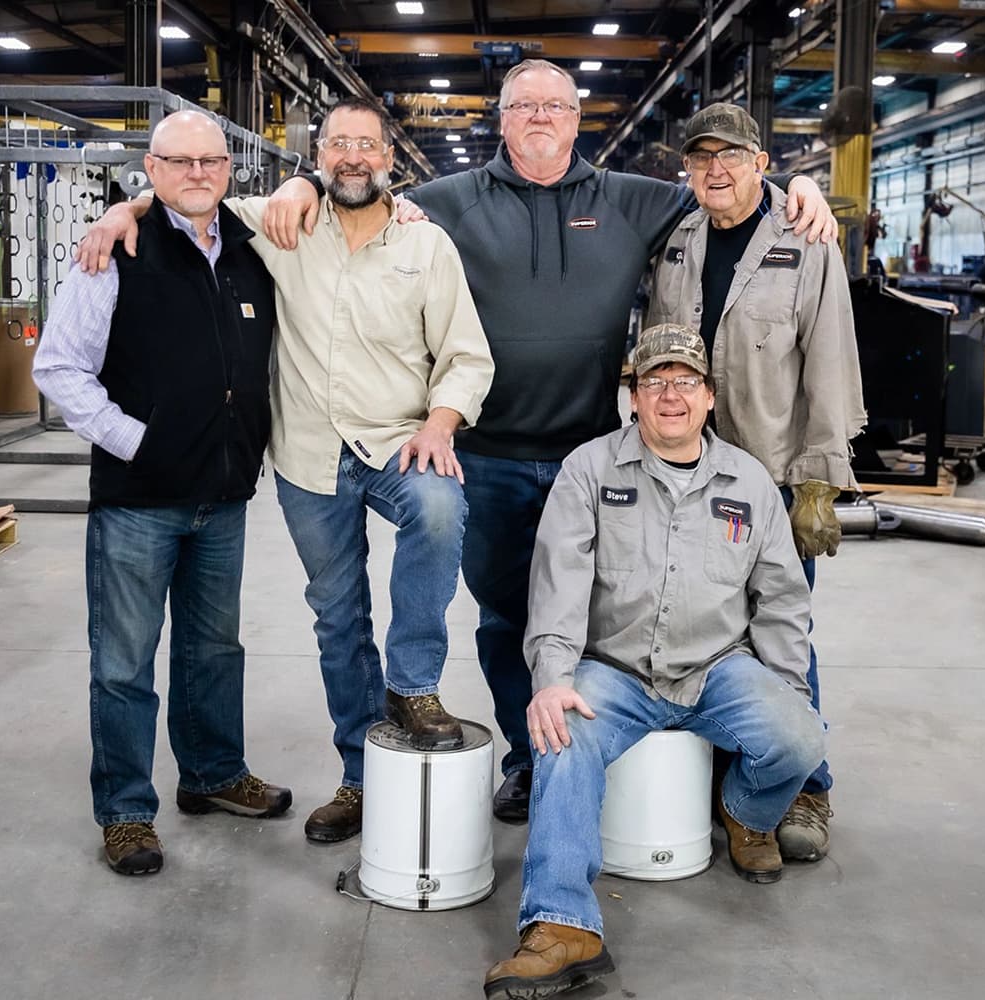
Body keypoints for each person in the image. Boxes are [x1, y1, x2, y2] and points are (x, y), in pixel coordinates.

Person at [257, 60, 839, 823]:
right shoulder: (445, 202)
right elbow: (356, 193)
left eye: (554, 106)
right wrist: (298, 184)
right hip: (488, 455)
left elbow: (723, 186)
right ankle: (530, 759)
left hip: (594, 458)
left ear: (576, 120)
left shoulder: (631, 200)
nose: (539, 117)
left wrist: (797, 184)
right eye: (523, 105)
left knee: (597, 621)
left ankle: (606, 756)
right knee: (505, 620)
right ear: (502, 120)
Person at [77, 98, 494, 845]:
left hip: (399, 440)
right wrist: (123, 212)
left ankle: (413, 685)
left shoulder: (425, 245)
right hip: (307, 455)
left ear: (389, 159)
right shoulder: (278, 224)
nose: (354, 157)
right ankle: (362, 779)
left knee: (438, 510)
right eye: (339, 145)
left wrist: (441, 422)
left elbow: (466, 353)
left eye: (368, 145)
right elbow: (187, 191)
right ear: (320, 156)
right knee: (339, 621)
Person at [482, 324, 826, 999]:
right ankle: (564, 928)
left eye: (685, 381)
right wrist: (552, 682)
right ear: (632, 397)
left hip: (715, 669)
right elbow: (557, 586)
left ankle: (745, 812)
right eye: (654, 381)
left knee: (801, 737)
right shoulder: (588, 470)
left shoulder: (750, 483)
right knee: (559, 731)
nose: (670, 395)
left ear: (709, 397)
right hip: (614, 670)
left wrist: (786, 692)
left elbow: (782, 599)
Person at [33, 110, 292, 877]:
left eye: (212, 160)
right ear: (151, 167)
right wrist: (136, 441)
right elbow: (58, 368)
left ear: (230, 168)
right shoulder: (117, 252)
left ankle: (212, 775)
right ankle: (124, 812)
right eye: (179, 161)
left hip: (225, 495)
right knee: (123, 661)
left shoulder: (251, 253)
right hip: (139, 499)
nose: (198, 173)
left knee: (214, 649)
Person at [646, 102, 866, 862]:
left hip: (770, 478)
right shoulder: (676, 240)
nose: (715, 169)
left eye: (731, 156)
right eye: (702, 157)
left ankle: (808, 785)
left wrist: (817, 486)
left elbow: (832, 369)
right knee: (700, 626)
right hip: (684, 473)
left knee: (781, 633)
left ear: (762, 163)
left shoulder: (805, 242)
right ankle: (735, 780)